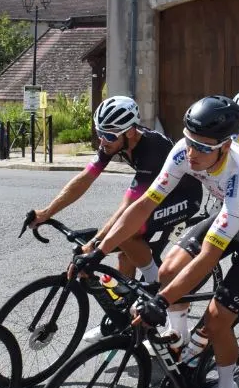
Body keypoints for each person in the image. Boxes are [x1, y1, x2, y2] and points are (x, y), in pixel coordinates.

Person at [95, 95, 239, 388]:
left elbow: (210, 256)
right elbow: (143, 206)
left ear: (227, 145)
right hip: (231, 216)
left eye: (202, 147)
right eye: (189, 141)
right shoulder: (184, 151)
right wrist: (98, 252)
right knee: (168, 270)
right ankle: (181, 340)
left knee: (217, 321)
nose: (191, 153)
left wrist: (160, 299)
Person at [29, 96, 202, 285]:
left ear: (129, 133)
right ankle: (126, 308)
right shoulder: (114, 142)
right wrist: (46, 212)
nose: (103, 141)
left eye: (109, 136)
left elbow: (128, 209)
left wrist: (95, 244)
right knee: (125, 255)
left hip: (184, 197)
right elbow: (85, 179)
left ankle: (159, 288)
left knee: (127, 233)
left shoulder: (151, 150)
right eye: (99, 133)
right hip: (159, 194)